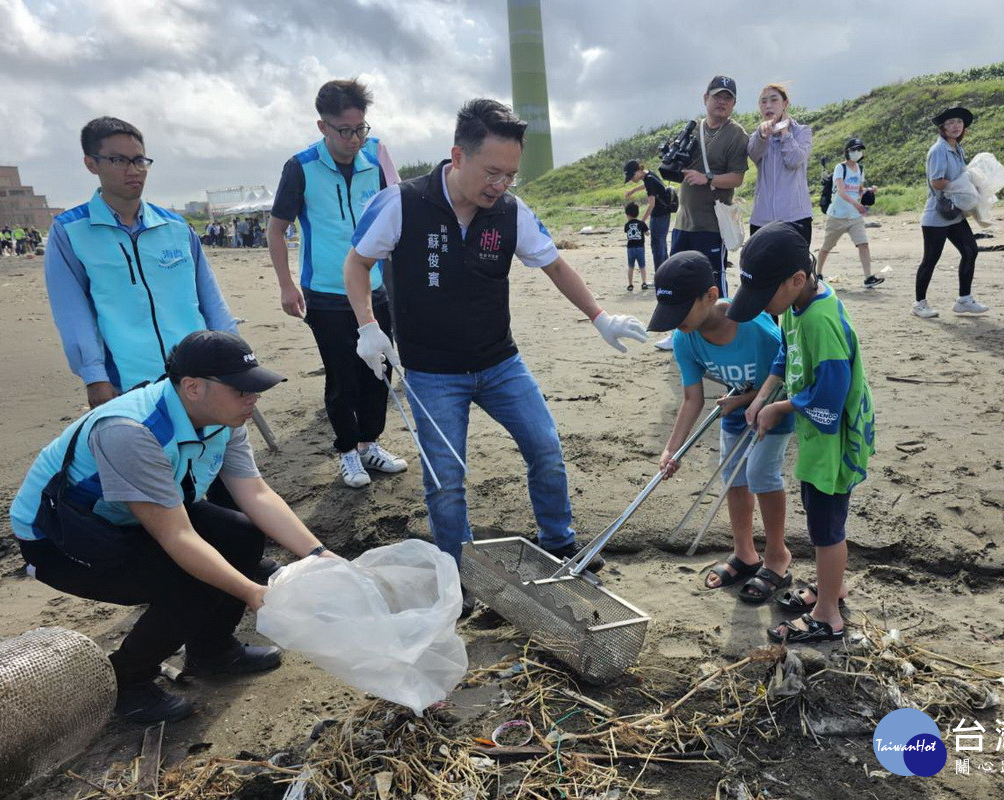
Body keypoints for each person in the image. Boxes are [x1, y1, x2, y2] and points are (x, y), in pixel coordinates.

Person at [343, 98, 648, 569]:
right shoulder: (402, 203)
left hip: (500, 363)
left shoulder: (510, 212)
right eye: (491, 172)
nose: (500, 184)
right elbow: (357, 263)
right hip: (432, 372)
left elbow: (554, 264)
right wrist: (368, 327)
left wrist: (600, 316)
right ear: (458, 156)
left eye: (510, 175)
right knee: (445, 479)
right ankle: (459, 569)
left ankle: (558, 542)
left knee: (545, 448)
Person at [9, 331, 335, 723]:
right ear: (193, 387)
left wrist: (319, 554)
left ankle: (211, 649)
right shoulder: (130, 432)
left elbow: (255, 492)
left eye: (255, 388)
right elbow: (176, 537)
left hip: (138, 514)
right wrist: (251, 592)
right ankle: (128, 680)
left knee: (242, 534)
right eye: (242, 390)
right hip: (63, 536)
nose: (254, 399)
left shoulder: (224, 417)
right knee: (193, 581)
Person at [729, 222, 875, 643]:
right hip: (816, 436)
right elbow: (784, 353)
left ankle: (828, 615)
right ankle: (834, 588)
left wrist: (778, 408)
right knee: (817, 516)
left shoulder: (820, 321)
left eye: (765, 296)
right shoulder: (796, 307)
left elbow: (831, 391)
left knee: (827, 527)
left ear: (796, 279)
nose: (763, 306)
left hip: (836, 439)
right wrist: (762, 397)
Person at [269, 79, 407, 488]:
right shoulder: (301, 167)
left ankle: (369, 444)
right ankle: (347, 452)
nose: (354, 138)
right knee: (342, 374)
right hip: (325, 292)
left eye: (360, 128)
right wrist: (286, 285)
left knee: (379, 369)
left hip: (374, 286)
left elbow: (395, 218)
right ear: (322, 126)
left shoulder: (373, 159)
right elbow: (277, 230)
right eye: (344, 130)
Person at [44, 116, 238, 409]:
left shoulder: (174, 226)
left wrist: (232, 351)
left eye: (139, 160)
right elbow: (72, 311)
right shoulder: (71, 231)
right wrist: (94, 376)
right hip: (127, 379)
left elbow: (209, 297)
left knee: (212, 448)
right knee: (150, 452)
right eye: (118, 160)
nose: (133, 170)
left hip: (198, 371)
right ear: (91, 164)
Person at [649, 252, 795, 602]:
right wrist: (673, 449)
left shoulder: (757, 328)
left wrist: (746, 401)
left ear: (711, 295)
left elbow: (788, 378)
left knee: (761, 474)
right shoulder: (686, 337)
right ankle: (745, 553)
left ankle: (778, 556)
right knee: (733, 475)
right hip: (734, 412)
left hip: (773, 410)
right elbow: (691, 400)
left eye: (682, 310)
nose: (675, 322)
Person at [659, 75, 749, 352]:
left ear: (733, 103)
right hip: (683, 220)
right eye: (716, 96)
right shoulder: (694, 130)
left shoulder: (736, 134)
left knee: (713, 280)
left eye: (727, 98)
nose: (721, 102)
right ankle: (679, 333)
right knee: (678, 279)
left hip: (711, 223)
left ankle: (720, 332)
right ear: (705, 99)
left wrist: (707, 178)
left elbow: (736, 178)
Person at [913, 106, 987, 318]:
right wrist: (964, 188)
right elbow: (937, 182)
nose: (956, 126)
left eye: (959, 122)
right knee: (931, 259)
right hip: (937, 214)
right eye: (951, 122)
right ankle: (919, 304)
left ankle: (964, 300)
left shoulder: (957, 148)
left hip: (954, 212)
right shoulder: (938, 150)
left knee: (970, 250)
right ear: (943, 127)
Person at [748, 83, 814, 244]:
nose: (768, 105)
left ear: (785, 103)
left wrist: (784, 133)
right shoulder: (757, 136)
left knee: (796, 268)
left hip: (795, 218)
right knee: (762, 269)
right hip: (762, 220)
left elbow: (795, 160)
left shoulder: (802, 132)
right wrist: (762, 136)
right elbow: (754, 154)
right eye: (763, 101)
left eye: (774, 100)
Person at [816, 138, 884, 288]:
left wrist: (868, 190)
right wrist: (857, 204)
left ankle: (868, 277)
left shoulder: (860, 168)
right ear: (847, 152)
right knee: (827, 247)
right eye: (854, 150)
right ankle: (818, 273)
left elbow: (858, 189)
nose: (857, 153)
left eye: (859, 150)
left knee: (863, 244)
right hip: (837, 215)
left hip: (854, 216)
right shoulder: (840, 168)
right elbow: (841, 191)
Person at [624, 159, 672, 267]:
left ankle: (659, 278)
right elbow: (648, 185)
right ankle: (665, 274)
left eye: (632, 176)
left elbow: (651, 205)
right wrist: (633, 190)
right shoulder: (649, 175)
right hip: (664, 214)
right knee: (661, 246)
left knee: (657, 247)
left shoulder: (649, 179)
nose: (632, 179)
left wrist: (641, 223)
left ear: (637, 171)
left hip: (659, 216)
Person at [623, 201, 649, 291]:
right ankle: (644, 282)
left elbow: (626, 231)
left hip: (630, 248)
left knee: (631, 266)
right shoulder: (642, 223)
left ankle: (630, 284)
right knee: (642, 266)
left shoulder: (627, 225)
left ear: (627, 214)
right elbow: (647, 233)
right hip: (640, 248)